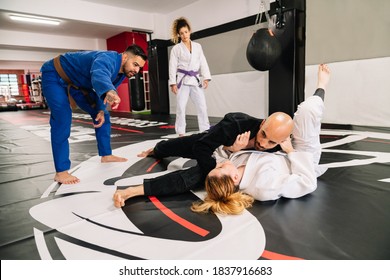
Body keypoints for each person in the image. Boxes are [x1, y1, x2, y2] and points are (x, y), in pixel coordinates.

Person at [191, 64, 331, 215]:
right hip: (301, 158)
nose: (217, 165)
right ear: (235, 178)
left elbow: (218, 154)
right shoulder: (264, 188)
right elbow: (307, 183)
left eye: (215, 168)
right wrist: (291, 151)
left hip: (281, 146)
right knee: (308, 110)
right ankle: (322, 85)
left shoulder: (230, 168)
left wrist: (233, 149)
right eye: (219, 167)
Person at [113, 99, 294, 207]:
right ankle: (156, 149)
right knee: (174, 146)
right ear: (262, 123)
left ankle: (134, 190)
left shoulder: (280, 145)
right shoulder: (236, 125)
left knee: (195, 176)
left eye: (271, 142)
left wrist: (291, 152)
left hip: (227, 161)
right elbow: (201, 147)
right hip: (210, 144)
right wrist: (216, 165)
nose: (263, 143)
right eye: (263, 135)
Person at [41, 45, 147, 184]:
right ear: (125, 57)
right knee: (62, 118)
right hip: (55, 74)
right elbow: (99, 73)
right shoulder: (107, 58)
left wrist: (101, 109)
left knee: (103, 115)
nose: (136, 70)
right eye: (135, 65)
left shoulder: (121, 73)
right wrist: (109, 91)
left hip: (77, 83)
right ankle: (61, 172)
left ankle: (106, 155)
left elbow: (102, 88)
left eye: (139, 67)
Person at [169, 17, 212, 136]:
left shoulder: (198, 46)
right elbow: (172, 66)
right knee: (181, 107)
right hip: (182, 81)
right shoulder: (176, 49)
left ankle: (205, 129)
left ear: (189, 31)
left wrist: (206, 78)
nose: (184, 35)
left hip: (195, 79)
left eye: (186, 32)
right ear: (178, 34)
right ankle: (181, 131)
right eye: (181, 33)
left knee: (202, 106)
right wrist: (173, 83)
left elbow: (203, 62)